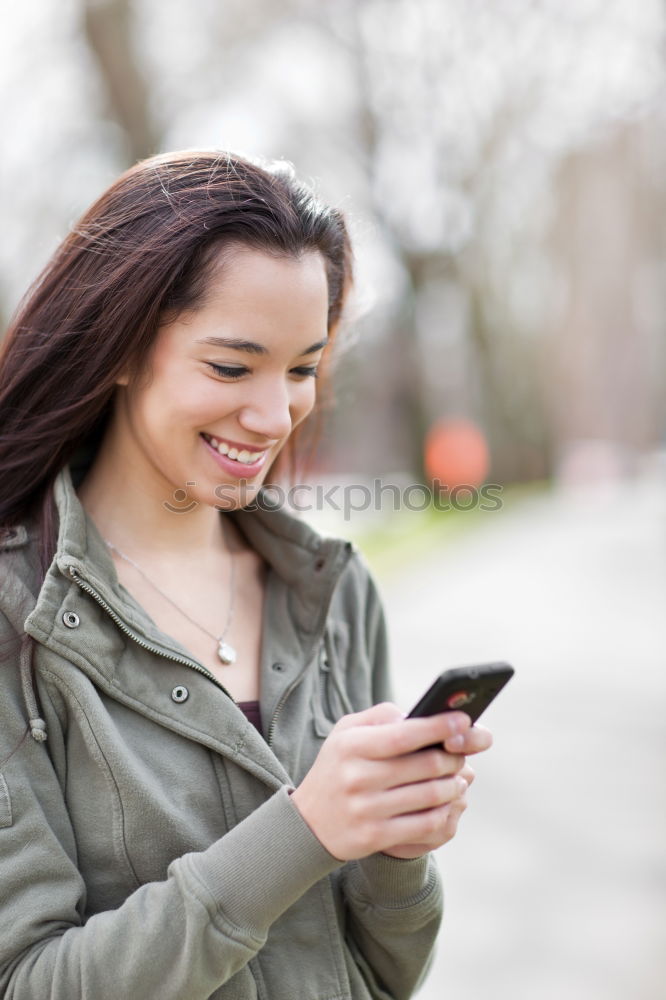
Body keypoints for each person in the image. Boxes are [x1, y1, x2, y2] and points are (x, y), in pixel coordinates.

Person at [0, 149, 492, 1000]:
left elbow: (386, 976)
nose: (275, 416)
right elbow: (30, 981)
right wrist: (303, 833)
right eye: (231, 366)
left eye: (302, 368)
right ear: (121, 347)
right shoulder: (18, 618)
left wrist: (396, 854)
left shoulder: (334, 592)